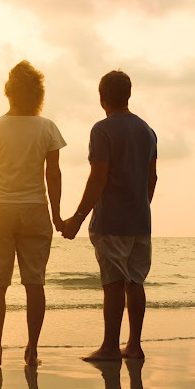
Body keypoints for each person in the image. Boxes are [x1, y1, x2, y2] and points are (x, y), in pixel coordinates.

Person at [0, 61, 66, 367]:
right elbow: (53, 175)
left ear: (8, 92)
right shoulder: (47, 128)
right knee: (35, 283)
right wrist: (57, 215)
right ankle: (32, 351)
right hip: (34, 210)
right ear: (38, 93)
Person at [63, 70, 157, 361]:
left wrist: (77, 217)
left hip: (112, 220)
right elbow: (152, 177)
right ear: (128, 95)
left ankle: (109, 347)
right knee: (135, 281)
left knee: (114, 282)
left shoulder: (102, 129)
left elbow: (98, 178)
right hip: (141, 220)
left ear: (102, 97)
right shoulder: (147, 130)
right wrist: (142, 204)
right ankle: (135, 345)